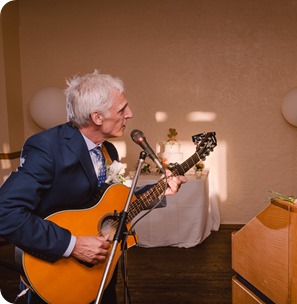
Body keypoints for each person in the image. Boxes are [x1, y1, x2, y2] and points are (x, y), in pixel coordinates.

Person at [0, 71, 187, 303]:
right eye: (122, 110)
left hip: (100, 270)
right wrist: (72, 245)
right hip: (56, 273)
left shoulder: (108, 150)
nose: (130, 114)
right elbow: (4, 213)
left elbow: (109, 205)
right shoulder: (47, 148)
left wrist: (162, 189)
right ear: (97, 117)